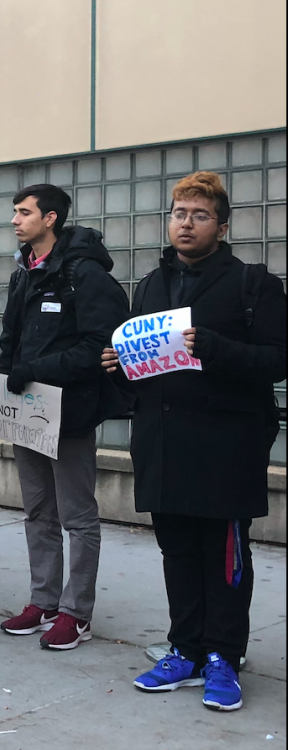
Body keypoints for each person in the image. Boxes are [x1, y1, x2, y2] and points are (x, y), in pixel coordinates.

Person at [102, 171, 286, 712]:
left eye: (199, 215)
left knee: (224, 558)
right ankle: (184, 649)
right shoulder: (152, 285)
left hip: (227, 447)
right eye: (180, 213)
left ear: (222, 227)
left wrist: (214, 346)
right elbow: (143, 373)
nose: (186, 223)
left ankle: (224, 657)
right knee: (176, 552)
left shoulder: (255, 284)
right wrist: (118, 367)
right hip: (162, 443)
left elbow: (276, 360)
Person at [0, 184, 128, 650]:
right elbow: (10, 335)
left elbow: (100, 347)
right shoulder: (24, 272)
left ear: (50, 219)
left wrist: (37, 370)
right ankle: (43, 601)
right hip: (25, 414)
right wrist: (8, 370)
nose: (15, 220)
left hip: (69, 413)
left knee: (77, 515)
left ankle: (76, 612)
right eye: (14, 212)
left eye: (24, 212)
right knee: (37, 511)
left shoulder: (83, 274)